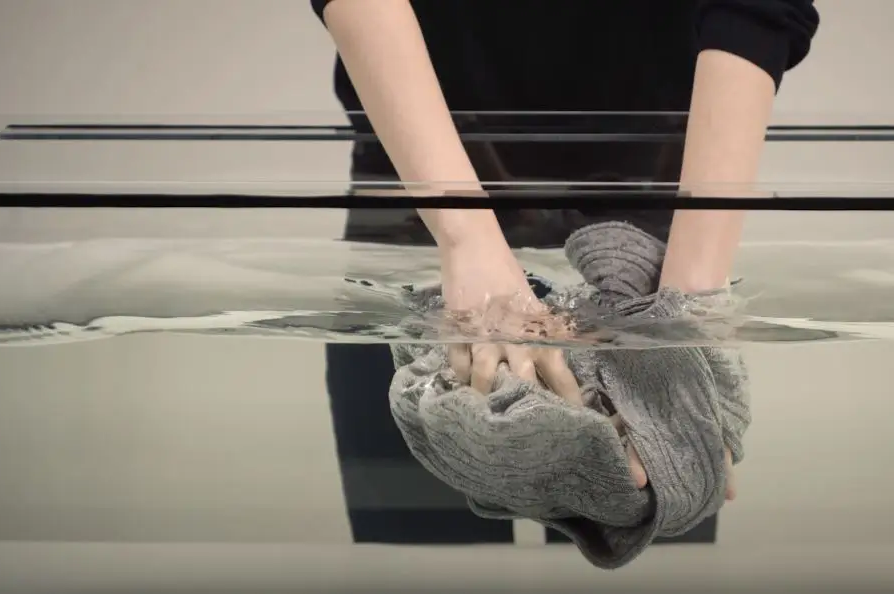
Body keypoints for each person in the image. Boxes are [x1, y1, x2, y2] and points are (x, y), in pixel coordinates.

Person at [310, 0, 819, 545]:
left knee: (653, 494)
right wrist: (465, 237)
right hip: (420, 199)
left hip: (655, 227)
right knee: (425, 558)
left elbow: (755, 7)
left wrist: (685, 306)